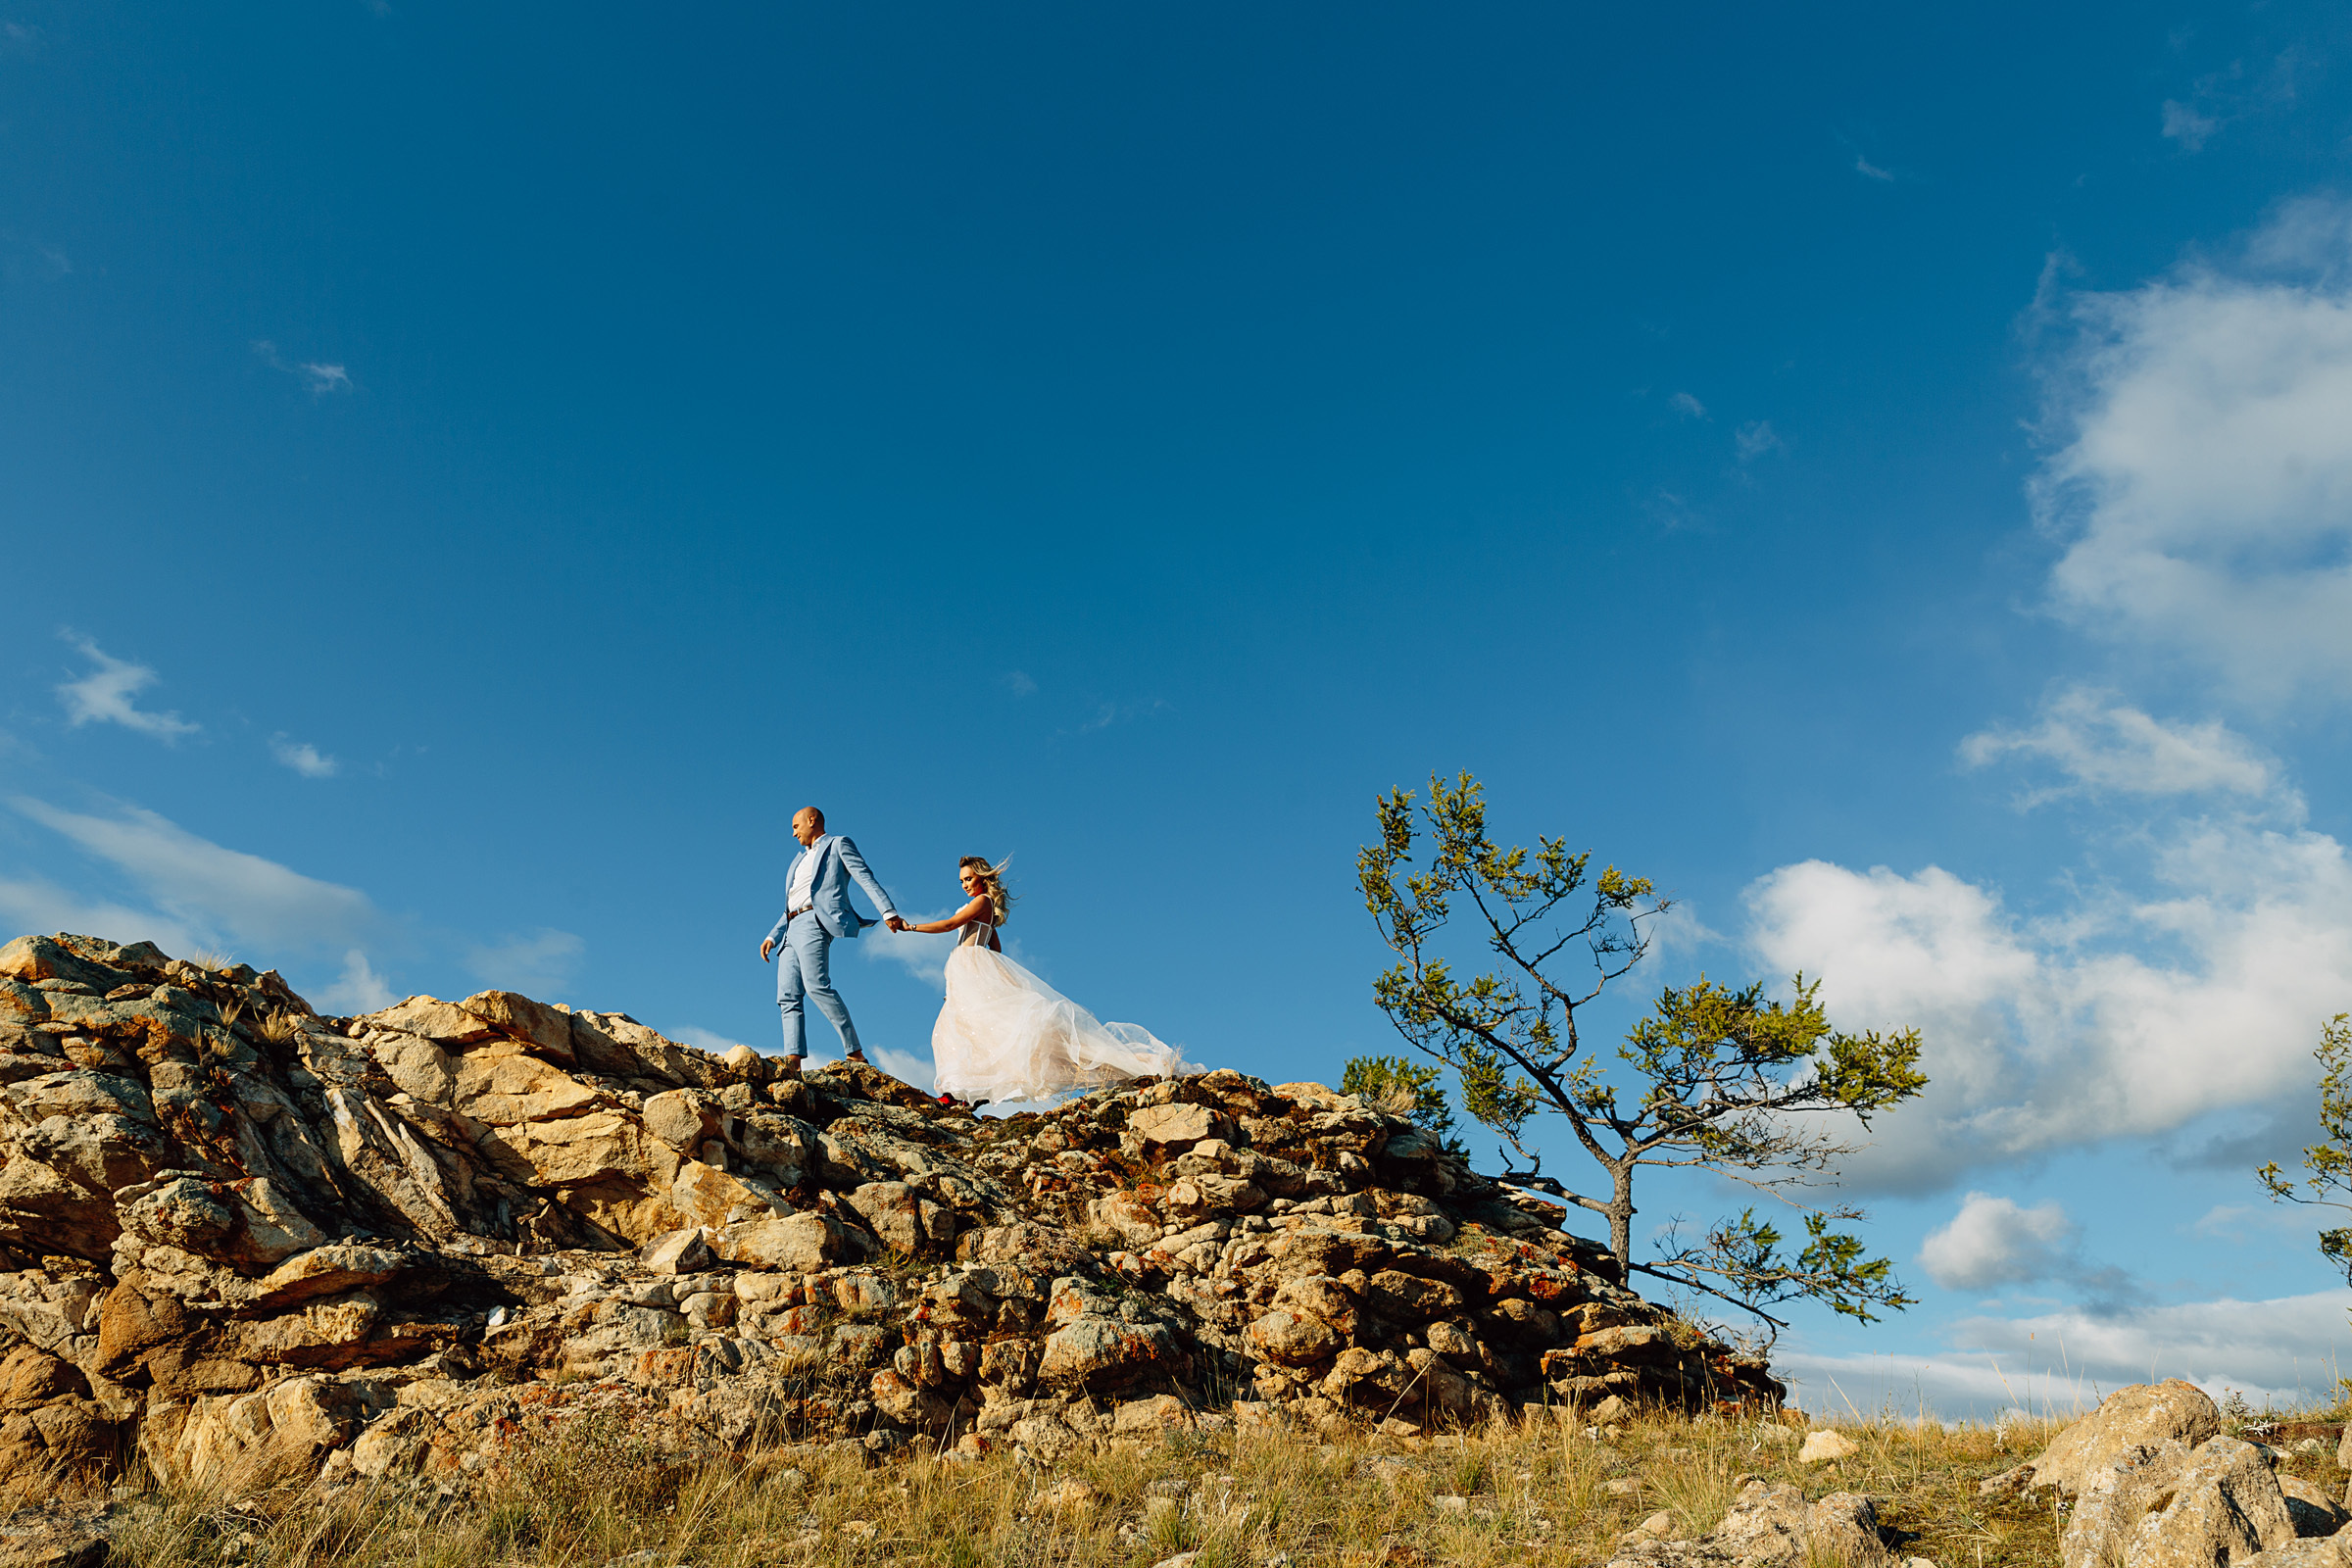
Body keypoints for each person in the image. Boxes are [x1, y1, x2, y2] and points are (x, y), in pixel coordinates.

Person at [903, 856, 1191, 1106]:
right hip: (965, 971)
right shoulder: (984, 906)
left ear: (982, 877)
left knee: (962, 1030)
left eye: (969, 878)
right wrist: (973, 978)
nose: (964, 884)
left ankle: (958, 1093)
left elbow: (951, 925)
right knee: (964, 1030)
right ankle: (963, 1092)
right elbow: (996, 947)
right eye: (961, 881)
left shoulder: (982, 902)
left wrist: (911, 927)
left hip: (969, 966)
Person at [760, 807, 906, 1078]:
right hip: (791, 927)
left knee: (817, 986)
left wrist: (888, 911)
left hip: (814, 922)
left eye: (796, 826)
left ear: (812, 820)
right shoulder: (797, 861)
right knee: (787, 996)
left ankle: (854, 1052)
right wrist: (773, 935)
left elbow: (865, 878)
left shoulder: (839, 845)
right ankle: (793, 1061)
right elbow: (791, 903)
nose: (793, 833)